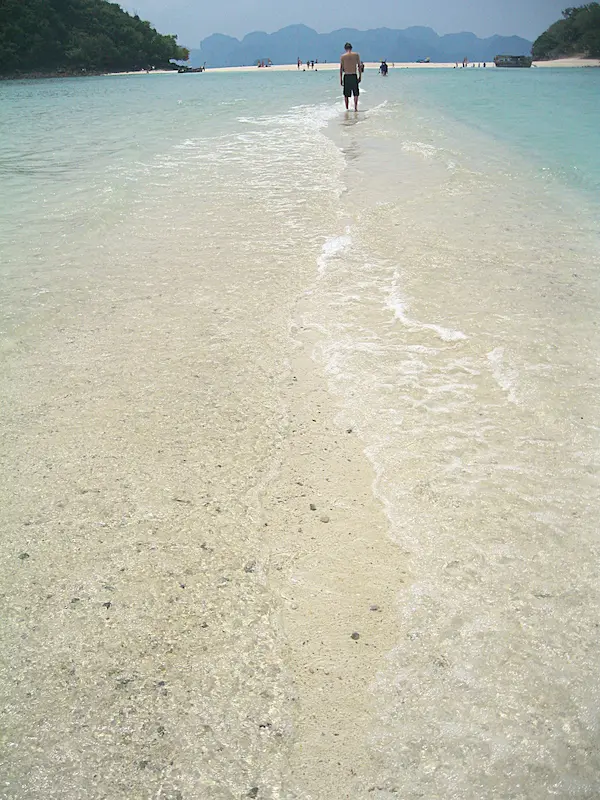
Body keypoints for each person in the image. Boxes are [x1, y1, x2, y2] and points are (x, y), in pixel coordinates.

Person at [340, 42, 361, 111]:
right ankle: (355, 107)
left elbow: (341, 68)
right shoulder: (356, 55)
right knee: (356, 93)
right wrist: (360, 76)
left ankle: (347, 108)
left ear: (345, 48)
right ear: (351, 48)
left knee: (346, 94)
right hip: (354, 75)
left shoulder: (343, 56)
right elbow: (359, 66)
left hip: (346, 76)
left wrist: (341, 79)